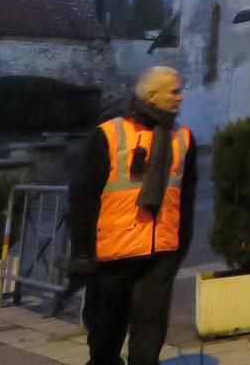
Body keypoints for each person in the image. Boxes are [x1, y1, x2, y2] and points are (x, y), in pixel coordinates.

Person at [67, 67, 198, 365]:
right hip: (114, 254)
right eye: (174, 91)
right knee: (105, 333)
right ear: (152, 96)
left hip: (160, 252)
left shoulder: (184, 138)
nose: (181, 96)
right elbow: (82, 197)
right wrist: (83, 253)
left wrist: (181, 244)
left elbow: (187, 195)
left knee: (150, 334)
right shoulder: (109, 134)